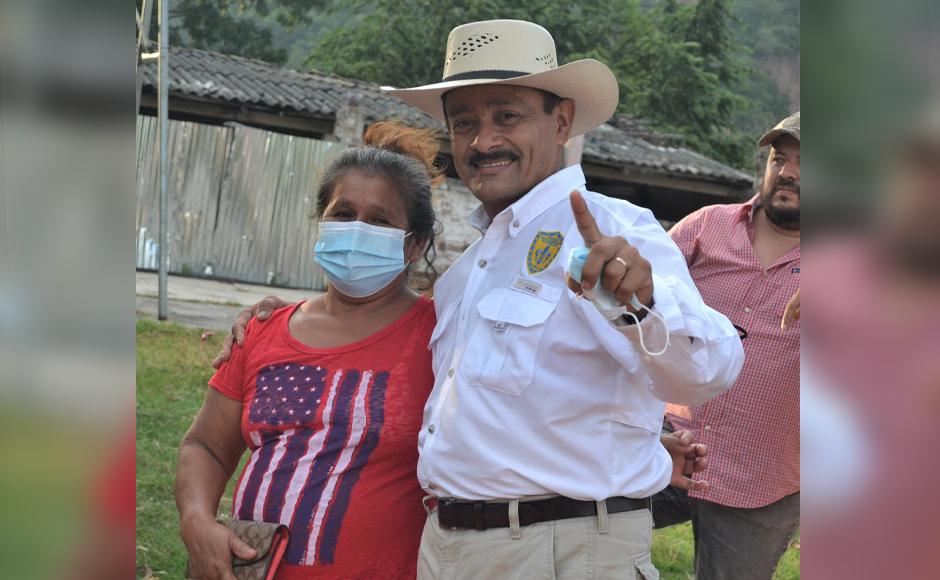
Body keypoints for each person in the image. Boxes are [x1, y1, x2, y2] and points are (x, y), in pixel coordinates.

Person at [219, 20, 743, 579]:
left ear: (561, 120)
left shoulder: (615, 232)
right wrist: (280, 319)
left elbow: (707, 372)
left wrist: (640, 304)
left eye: (507, 116)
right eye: (464, 123)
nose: (483, 141)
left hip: (563, 549)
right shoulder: (466, 272)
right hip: (450, 546)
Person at [175, 122, 442, 580]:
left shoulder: (442, 336)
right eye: (343, 213)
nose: (357, 230)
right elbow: (206, 446)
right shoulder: (262, 331)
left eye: (379, 221)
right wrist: (196, 521)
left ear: (415, 244)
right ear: (321, 222)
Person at [652, 112, 801, 580]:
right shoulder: (705, 228)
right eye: (780, 158)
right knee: (592, 553)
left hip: (764, 477)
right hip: (662, 443)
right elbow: (638, 298)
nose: (790, 172)